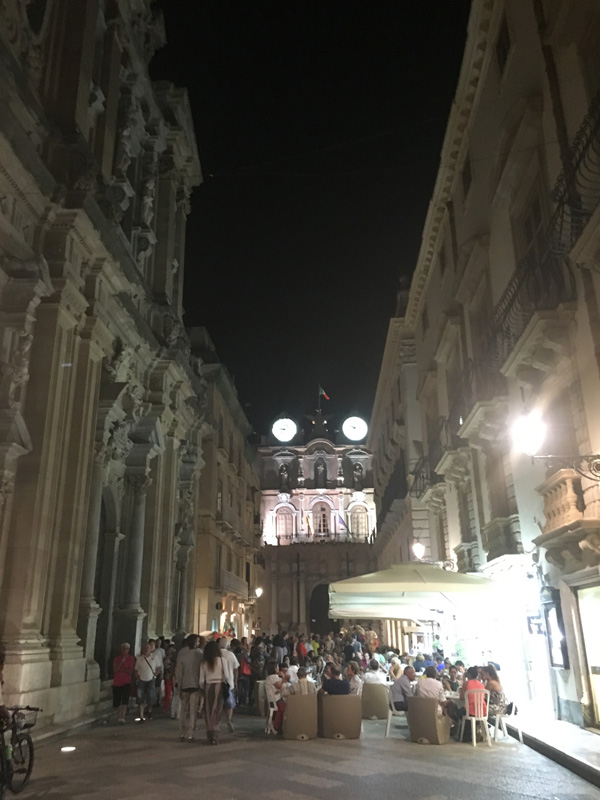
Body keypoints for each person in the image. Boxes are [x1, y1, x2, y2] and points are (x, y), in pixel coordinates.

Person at [175, 634, 203, 742]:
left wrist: (179, 687)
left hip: (185, 684)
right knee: (193, 710)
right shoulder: (200, 655)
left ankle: (181, 732)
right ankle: (190, 733)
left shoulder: (183, 656)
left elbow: (179, 674)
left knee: (183, 710)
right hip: (195, 684)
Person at [200, 639, 225, 744]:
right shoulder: (222, 660)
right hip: (219, 685)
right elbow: (226, 675)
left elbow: (201, 680)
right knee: (218, 710)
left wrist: (202, 688)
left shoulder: (204, 663)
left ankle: (209, 732)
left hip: (208, 686)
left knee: (208, 710)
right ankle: (215, 733)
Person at [134, 642, 160, 722]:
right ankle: (141, 716)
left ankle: (149, 710)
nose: (146, 649)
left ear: (150, 649)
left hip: (150, 679)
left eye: (148, 648)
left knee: (150, 697)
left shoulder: (155, 657)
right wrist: (137, 676)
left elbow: (159, 667)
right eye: (145, 648)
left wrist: (155, 675)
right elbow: (136, 669)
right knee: (140, 698)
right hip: (141, 680)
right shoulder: (139, 659)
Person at [218, 637, 239, 732]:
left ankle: (217, 722)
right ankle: (229, 719)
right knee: (229, 702)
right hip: (229, 682)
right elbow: (236, 668)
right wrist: (235, 681)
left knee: (219, 703)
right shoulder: (231, 654)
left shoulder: (216, 654)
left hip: (217, 682)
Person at [112, 643, 135, 724]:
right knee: (117, 701)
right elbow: (115, 670)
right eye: (123, 648)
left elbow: (130, 671)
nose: (125, 650)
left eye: (126, 649)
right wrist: (121, 663)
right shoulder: (117, 659)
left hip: (126, 682)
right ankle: (119, 716)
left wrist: (121, 670)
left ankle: (123, 716)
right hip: (117, 682)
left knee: (124, 700)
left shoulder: (131, 658)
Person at [265, 660, 287, 733]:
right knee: (285, 709)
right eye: (277, 667)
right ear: (274, 668)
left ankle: (276, 725)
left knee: (281, 709)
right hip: (276, 699)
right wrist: (283, 677)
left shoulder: (270, 677)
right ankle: (278, 725)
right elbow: (280, 686)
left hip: (273, 698)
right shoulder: (273, 677)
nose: (278, 668)